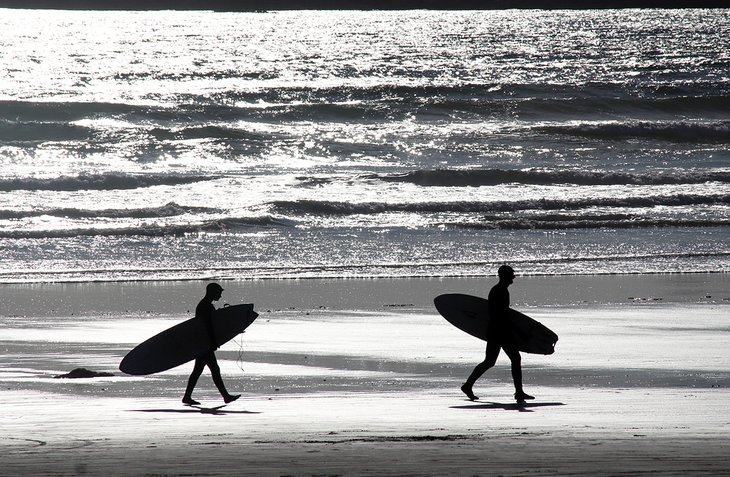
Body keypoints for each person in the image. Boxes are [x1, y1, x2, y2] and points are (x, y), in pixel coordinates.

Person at [460, 265, 535, 403]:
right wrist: (519, 332)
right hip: (500, 331)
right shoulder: (500, 291)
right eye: (512, 274)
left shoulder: (499, 290)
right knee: (513, 359)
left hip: (496, 331)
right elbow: (502, 316)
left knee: (491, 361)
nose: (514, 276)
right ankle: (518, 393)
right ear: (504, 275)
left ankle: (468, 385)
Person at [182, 283, 240, 405]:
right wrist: (213, 341)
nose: (220, 295)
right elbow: (208, 326)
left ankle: (187, 397)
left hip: (202, 342)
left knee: (200, 370)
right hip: (205, 343)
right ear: (212, 292)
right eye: (219, 292)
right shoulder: (205, 306)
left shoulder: (205, 305)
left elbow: (214, 323)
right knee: (212, 369)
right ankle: (225, 396)